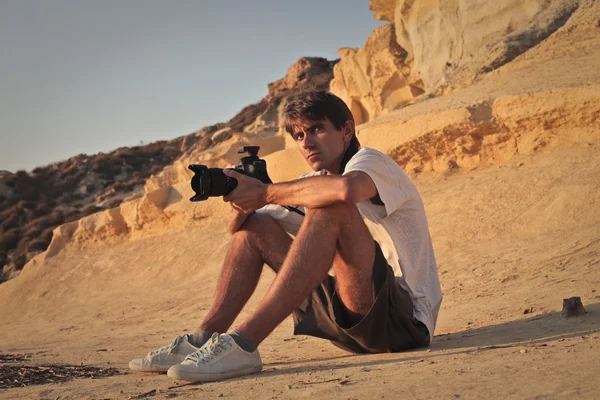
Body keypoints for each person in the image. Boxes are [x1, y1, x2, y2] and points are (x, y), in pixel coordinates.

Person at [129, 90, 442, 383]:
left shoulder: (371, 162)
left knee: (330, 205)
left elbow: (346, 190)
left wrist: (265, 192)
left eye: (317, 129)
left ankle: (243, 343)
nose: (306, 143)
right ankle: (203, 338)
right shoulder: (313, 182)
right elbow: (241, 232)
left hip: (402, 324)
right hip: (346, 323)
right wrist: (242, 200)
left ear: (347, 131)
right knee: (258, 226)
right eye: (299, 135)